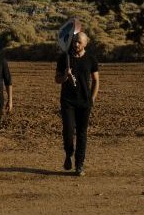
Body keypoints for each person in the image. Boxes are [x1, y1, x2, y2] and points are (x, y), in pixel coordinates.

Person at [55, 26, 99, 176]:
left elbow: (96, 80)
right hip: (67, 101)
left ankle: (79, 165)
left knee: (82, 133)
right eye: (74, 42)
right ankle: (69, 153)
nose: (76, 44)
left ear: (85, 44)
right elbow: (56, 79)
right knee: (68, 131)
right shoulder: (64, 58)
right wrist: (65, 77)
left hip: (84, 101)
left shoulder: (91, 59)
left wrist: (92, 97)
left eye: (79, 42)